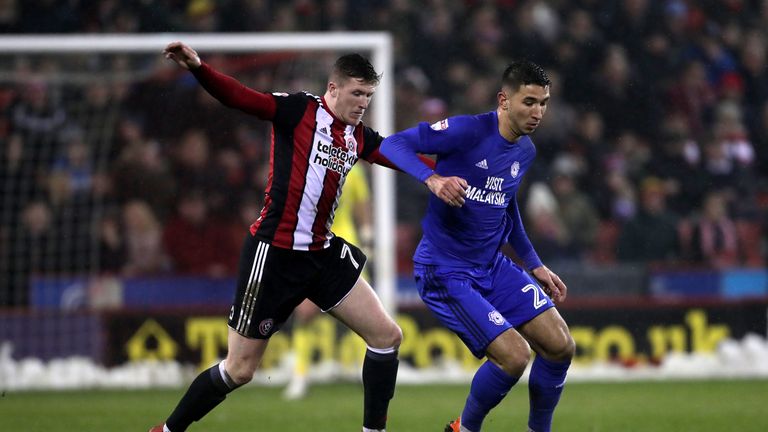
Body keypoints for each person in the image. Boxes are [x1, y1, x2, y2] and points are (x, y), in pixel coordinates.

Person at [151, 41, 432, 432]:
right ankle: (167, 430)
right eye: (356, 93)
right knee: (240, 369)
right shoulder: (298, 110)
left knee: (387, 335)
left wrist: (442, 172)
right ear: (332, 89)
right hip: (275, 254)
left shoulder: (357, 136)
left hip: (320, 253)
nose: (363, 102)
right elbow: (240, 98)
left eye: (368, 95)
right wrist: (199, 68)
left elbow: (395, 154)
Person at [380, 60, 575, 432]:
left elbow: (506, 206)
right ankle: (464, 429)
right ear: (504, 100)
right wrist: (432, 178)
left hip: (492, 265)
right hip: (445, 269)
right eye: (529, 102)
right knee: (514, 357)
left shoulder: (525, 151)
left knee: (560, 344)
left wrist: (534, 263)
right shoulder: (467, 130)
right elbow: (394, 144)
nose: (538, 113)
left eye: (544, 103)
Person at [283, 165, 373, 400]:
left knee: (363, 316)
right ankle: (300, 374)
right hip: (316, 245)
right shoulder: (309, 166)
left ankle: (366, 372)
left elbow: (361, 202)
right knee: (305, 313)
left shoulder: (351, 168)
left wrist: (367, 234)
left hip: (344, 245)